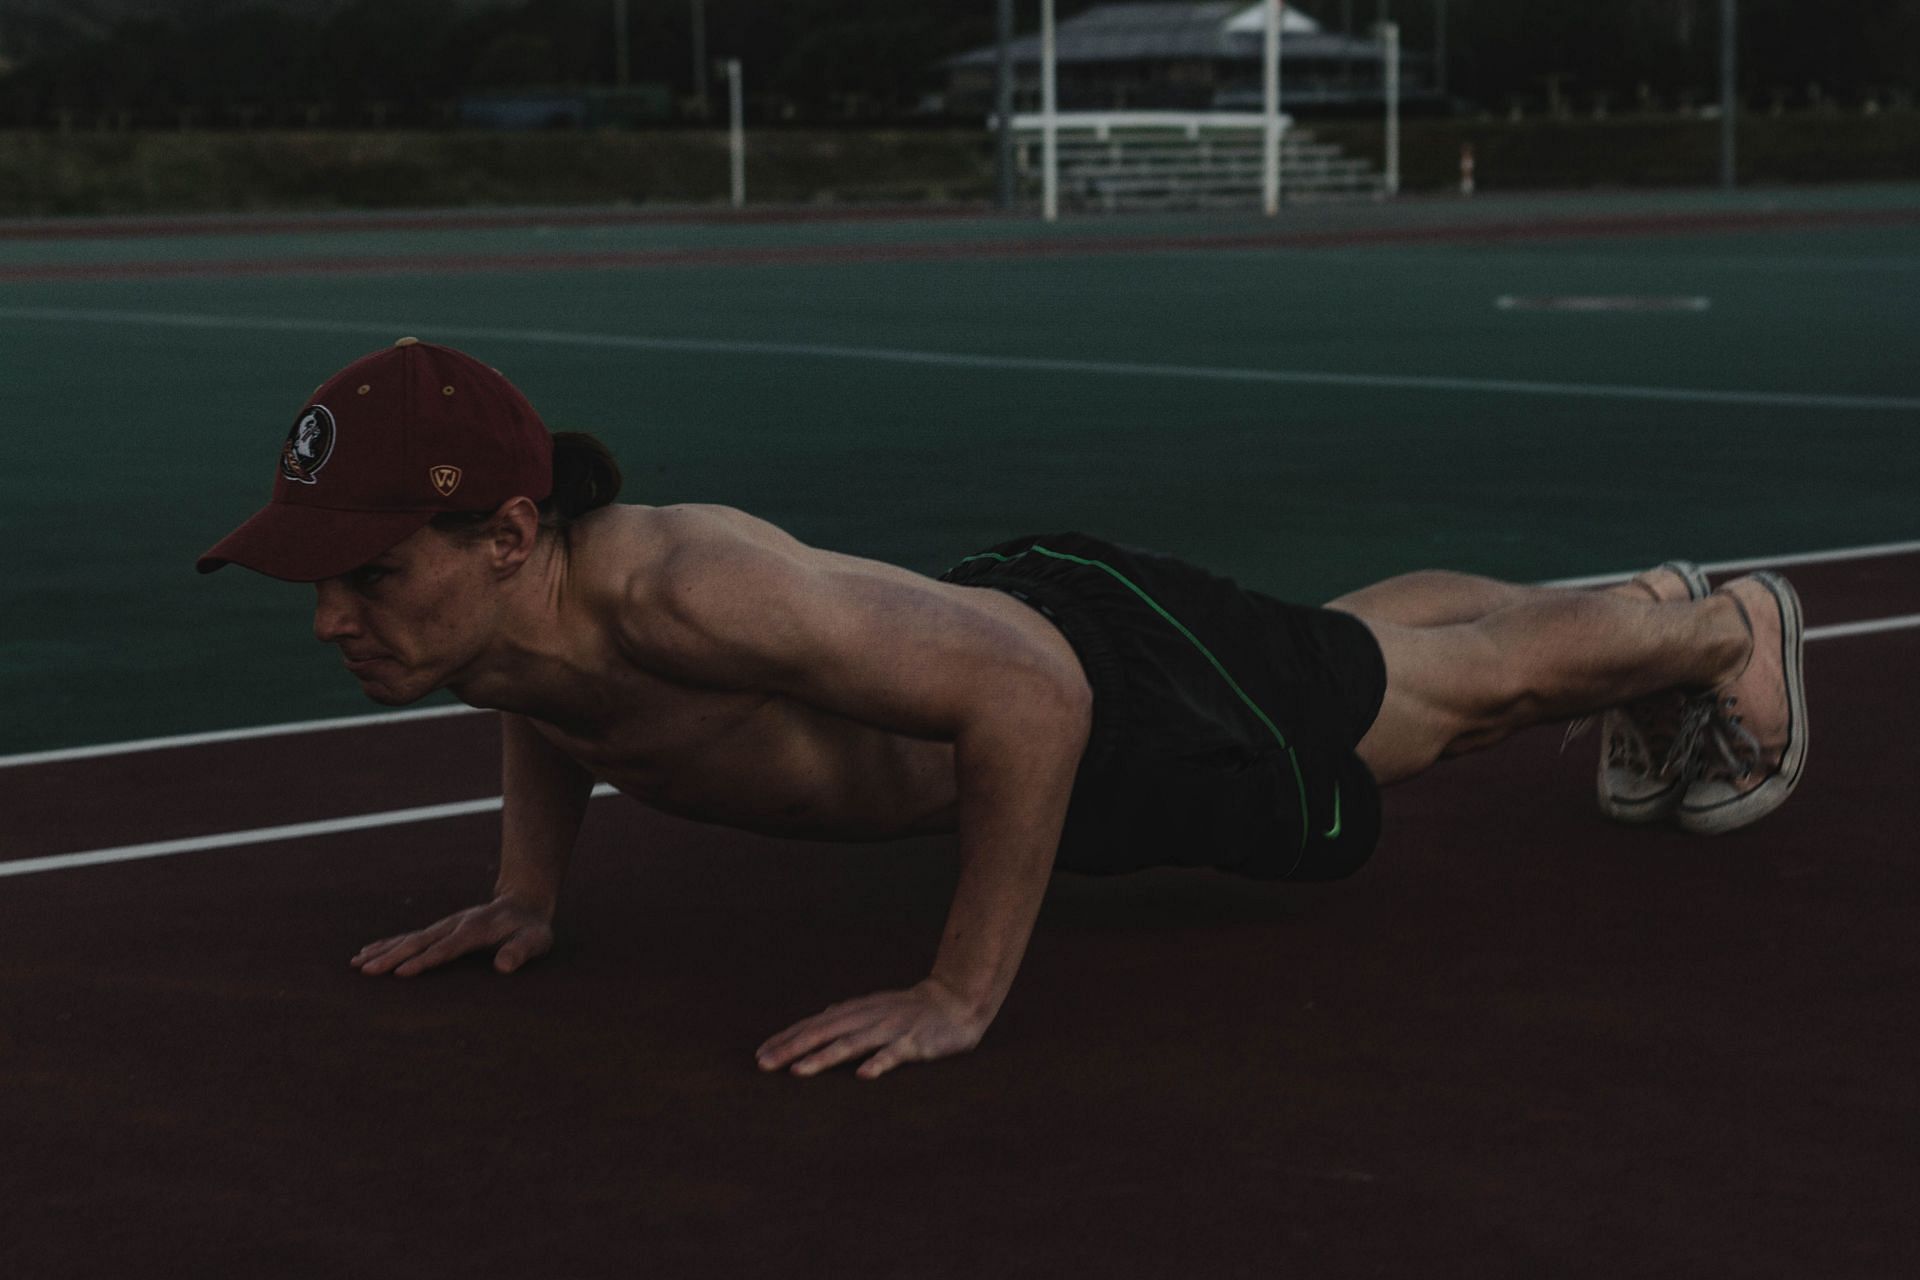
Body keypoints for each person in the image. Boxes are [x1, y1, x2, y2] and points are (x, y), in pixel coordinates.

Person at [199, 340, 1809, 1080]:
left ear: (501, 534)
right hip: (1020, 632)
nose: (333, 616)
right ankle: (1648, 609)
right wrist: (525, 892)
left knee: (1441, 709)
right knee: (1336, 656)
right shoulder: (496, 622)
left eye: (365, 575)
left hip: (1096, 681)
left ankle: (1723, 631)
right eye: (318, 579)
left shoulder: (687, 588)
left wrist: (959, 991)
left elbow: (1031, 697)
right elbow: (539, 699)